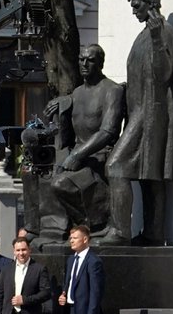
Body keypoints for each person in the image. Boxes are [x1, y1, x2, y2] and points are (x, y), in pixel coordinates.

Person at [101, 0, 173, 246]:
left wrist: (157, 39)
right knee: (149, 176)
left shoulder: (161, 32)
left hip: (151, 113)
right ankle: (154, 232)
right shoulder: (145, 33)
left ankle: (120, 231)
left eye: (137, 5)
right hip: (138, 109)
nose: (134, 10)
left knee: (116, 166)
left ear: (150, 3)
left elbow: (163, 73)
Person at [46, 44, 125, 233]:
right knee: (41, 180)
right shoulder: (77, 92)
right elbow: (68, 133)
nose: (84, 64)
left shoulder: (112, 90)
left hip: (99, 158)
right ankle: (66, 229)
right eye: (81, 59)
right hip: (79, 158)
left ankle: (94, 224)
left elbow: (109, 131)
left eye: (90, 60)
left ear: (100, 63)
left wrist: (77, 155)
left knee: (60, 183)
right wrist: (61, 105)